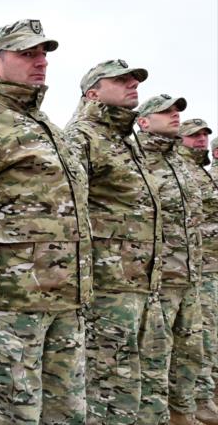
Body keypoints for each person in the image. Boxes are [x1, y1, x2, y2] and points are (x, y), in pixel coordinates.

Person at [0, 19, 92, 424]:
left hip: (66, 299)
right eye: (28, 54)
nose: (41, 62)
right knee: (13, 413)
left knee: (68, 411)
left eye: (43, 54)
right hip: (9, 305)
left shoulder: (49, 128)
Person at [64, 59, 164, 424]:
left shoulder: (125, 140)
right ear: (93, 93)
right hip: (107, 283)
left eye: (134, 80)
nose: (132, 85)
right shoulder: (82, 137)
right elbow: (71, 209)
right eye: (120, 80)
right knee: (104, 375)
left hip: (138, 279)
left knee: (130, 371)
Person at [136, 95, 205, 425]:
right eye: (165, 111)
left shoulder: (181, 163)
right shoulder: (138, 159)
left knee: (191, 352)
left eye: (177, 111)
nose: (174, 115)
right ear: (144, 121)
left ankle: (183, 413)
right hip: (157, 279)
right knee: (154, 356)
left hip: (189, 275)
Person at [178, 118, 218, 425]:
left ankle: (205, 395)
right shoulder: (184, 171)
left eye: (204, 135)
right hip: (195, 267)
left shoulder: (199, 172)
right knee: (200, 335)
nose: (201, 139)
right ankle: (196, 400)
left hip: (208, 266)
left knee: (209, 334)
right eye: (194, 135)